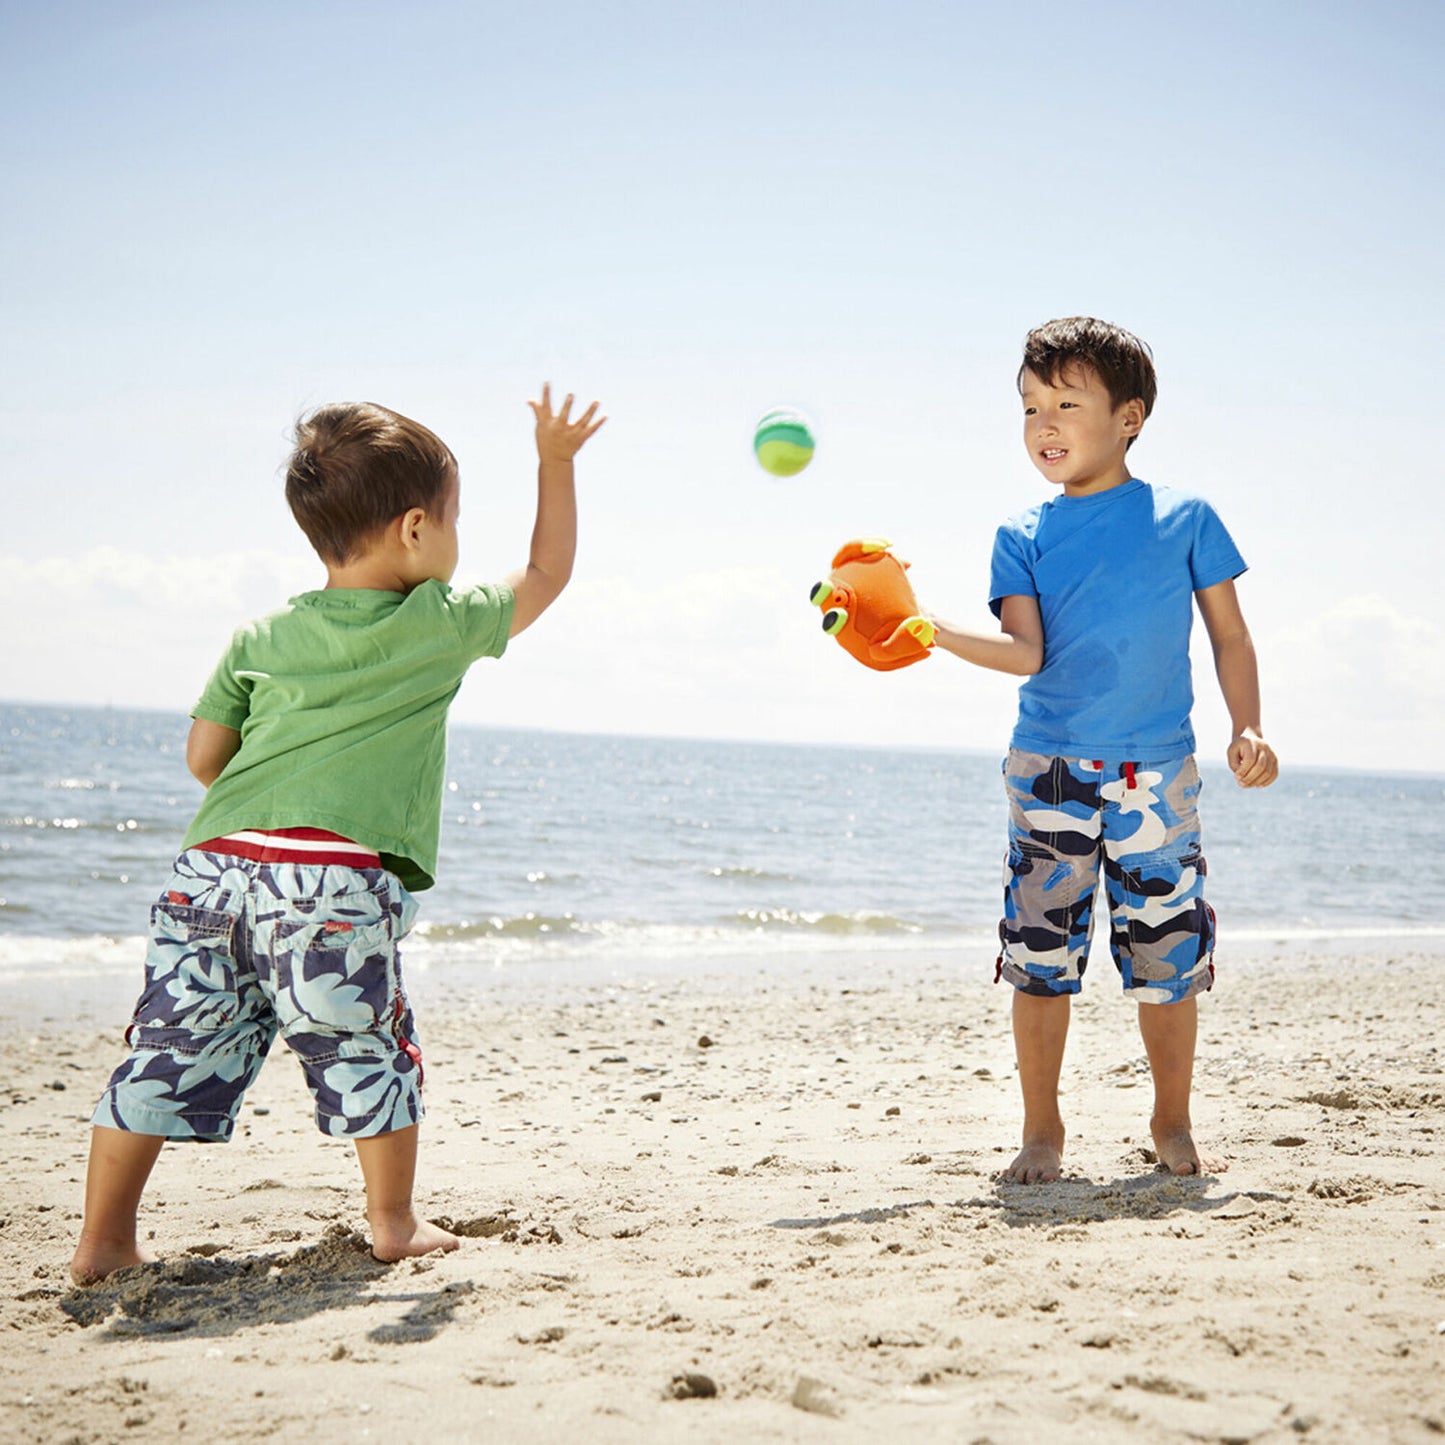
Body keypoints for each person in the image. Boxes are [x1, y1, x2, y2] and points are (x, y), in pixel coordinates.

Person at [70, 385, 604, 1283]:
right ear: (413, 529)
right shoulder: (436, 621)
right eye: (455, 519)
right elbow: (546, 572)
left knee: (163, 1048)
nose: (457, 538)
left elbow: (205, 756)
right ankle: (392, 1223)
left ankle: (104, 1241)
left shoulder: (263, 630)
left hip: (209, 872)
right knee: (364, 1042)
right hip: (326, 884)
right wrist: (556, 460)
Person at [927, 317, 1277, 1184]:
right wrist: (927, 631)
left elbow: (1229, 635)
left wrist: (1247, 725)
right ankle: (1040, 1131)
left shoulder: (1184, 518)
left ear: (1129, 416)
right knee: (1040, 961)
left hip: (1156, 772)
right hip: (1046, 767)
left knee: (1167, 958)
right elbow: (1024, 654)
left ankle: (1170, 1122)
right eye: (1029, 406)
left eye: (1065, 403)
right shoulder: (1022, 532)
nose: (1042, 423)